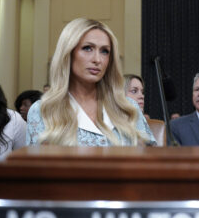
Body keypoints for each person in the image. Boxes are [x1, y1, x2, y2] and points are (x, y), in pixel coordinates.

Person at [26, 18, 155, 146]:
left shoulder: (128, 108)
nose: (97, 59)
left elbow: (151, 160)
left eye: (104, 51)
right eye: (87, 48)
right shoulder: (44, 110)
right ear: (68, 53)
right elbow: (38, 166)